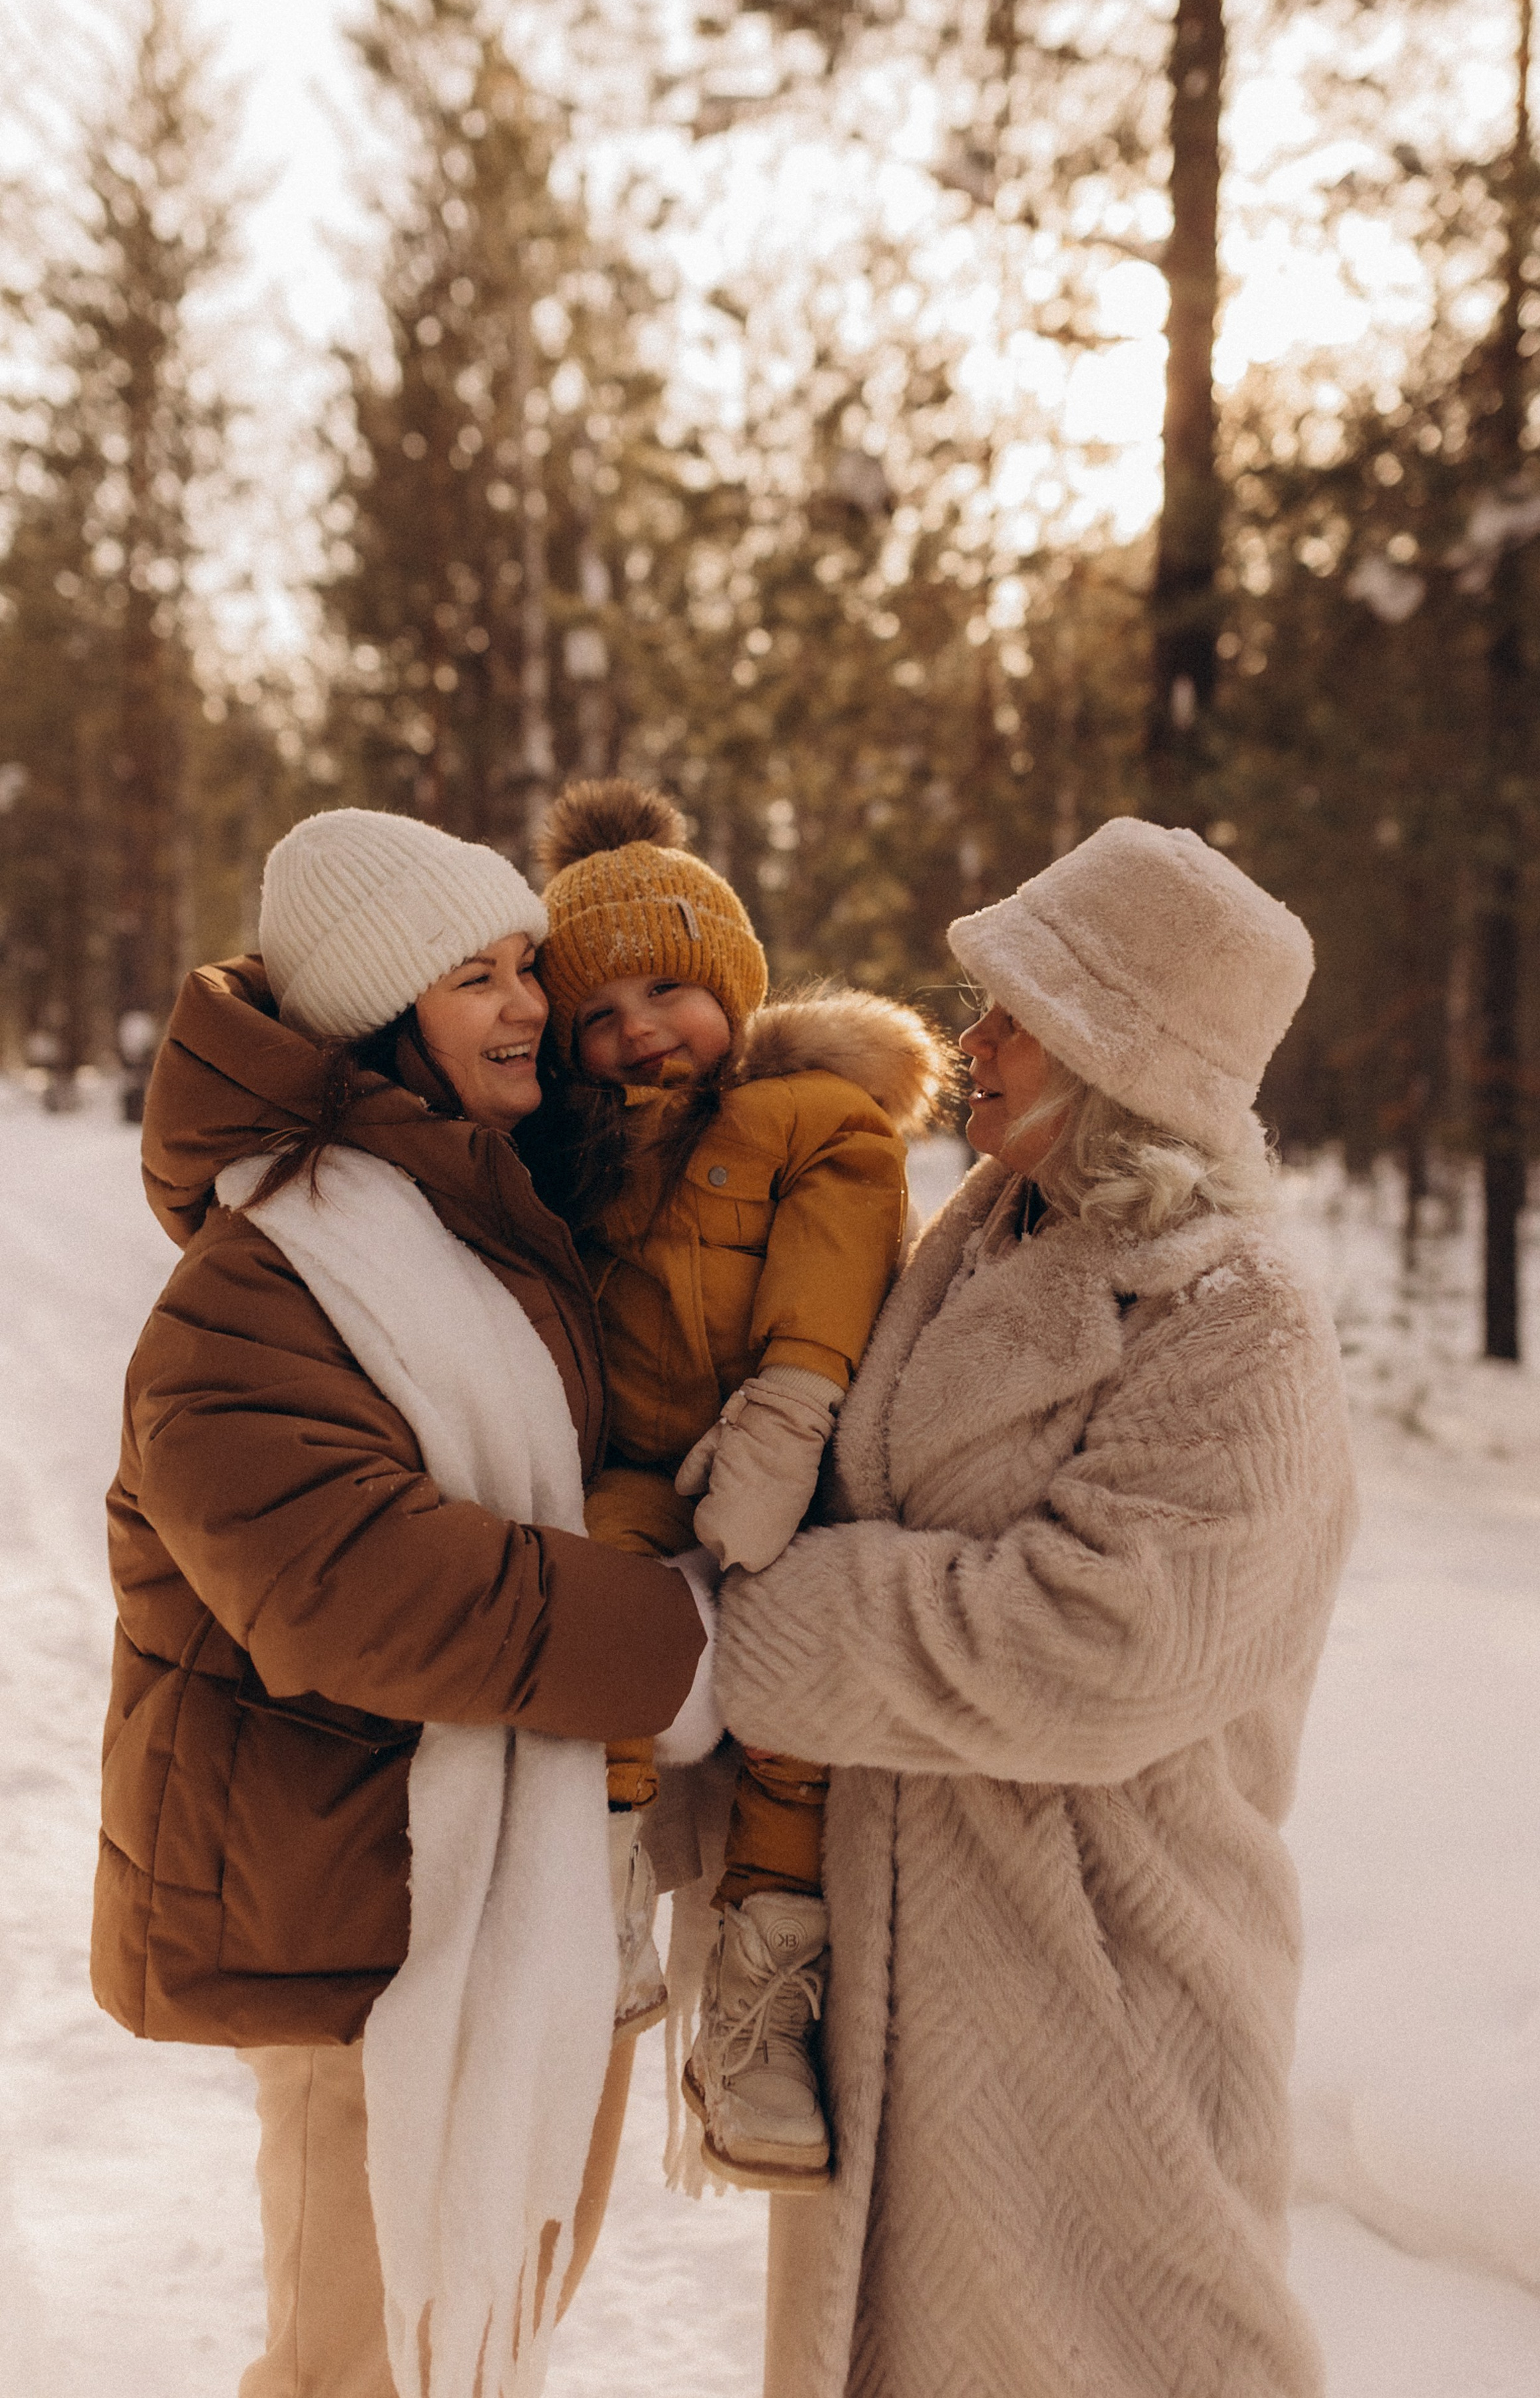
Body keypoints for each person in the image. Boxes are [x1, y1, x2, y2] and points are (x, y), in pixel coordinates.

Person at [713, 817, 1359, 2398]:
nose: (970, 1039)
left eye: (1016, 1011)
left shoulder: (1239, 1320)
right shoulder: (990, 1228)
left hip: (1101, 1985)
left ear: (1116, 1052)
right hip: (908, 1966)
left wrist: (751, 1634)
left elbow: (1100, 1649)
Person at [93, 807, 715, 2398]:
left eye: (526, 968)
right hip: (361, 1913)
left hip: (521, 1894)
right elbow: (351, 1589)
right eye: (473, 977)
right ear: (380, 1018)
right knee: (354, 2372)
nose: (529, 1006)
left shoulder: (483, 1226)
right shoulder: (259, 1288)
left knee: (482, 2342)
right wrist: (682, 1645)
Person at [526, 778, 947, 2192]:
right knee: (598, 1617)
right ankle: (599, 1905)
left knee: (795, 1726)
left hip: (791, 1465)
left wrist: (786, 1412)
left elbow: (835, 1270)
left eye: (667, 988)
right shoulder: (578, 1151)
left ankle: (758, 2007)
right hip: (641, 1470)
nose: (638, 1025)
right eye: (600, 1010)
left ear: (731, 985)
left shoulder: (813, 1118)